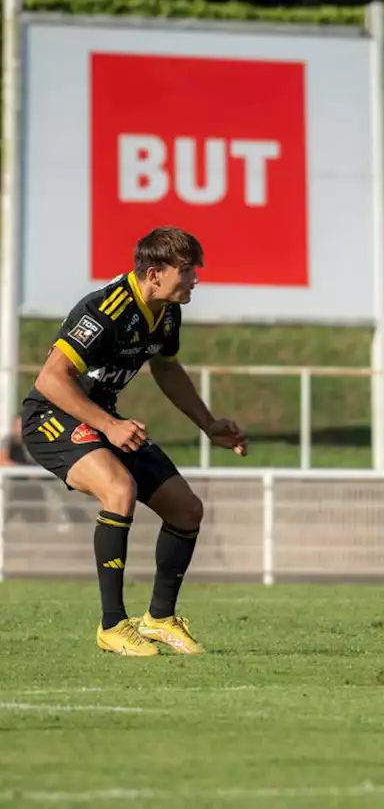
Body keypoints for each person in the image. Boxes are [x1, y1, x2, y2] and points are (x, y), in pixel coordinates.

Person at [20, 227, 247, 657]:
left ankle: (159, 619)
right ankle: (112, 626)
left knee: (186, 508)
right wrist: (108, 425)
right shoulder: (106, 309)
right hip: (51, 417)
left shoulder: (167, 311)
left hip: (103, 417)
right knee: (119, 489)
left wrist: (208, 423)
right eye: (187, 269)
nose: (196, 277)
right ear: (155, 273)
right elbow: (50, 380)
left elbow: (166, 369)